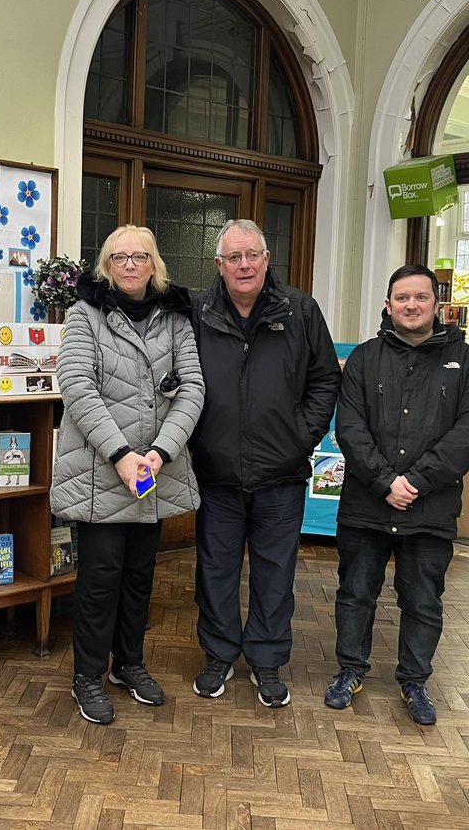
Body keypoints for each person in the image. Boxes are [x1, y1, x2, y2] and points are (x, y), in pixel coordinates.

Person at [51, 224, 205, 725]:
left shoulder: (176, 318)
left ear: (154, 264)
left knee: (140, 579)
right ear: (106, 266)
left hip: (153, 471)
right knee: (99, 581)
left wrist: (160, 452)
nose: (131, 265)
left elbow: (193, 389)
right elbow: (76, 385)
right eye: (120, 257)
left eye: (141, 256)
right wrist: (121, 454)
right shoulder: (84, 315)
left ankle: (129, 665)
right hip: (101, 471)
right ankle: (87, 677)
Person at [326, 265, 469, 725]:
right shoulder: (363, 358)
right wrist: (384, 482)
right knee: (355, 593)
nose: (411, 306)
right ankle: (349, 671)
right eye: (402, 298)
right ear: (388, 304)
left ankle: (414, 681)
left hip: (430, 507)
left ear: (438, 305)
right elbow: (350, 428)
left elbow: (468, 433)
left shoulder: (468, 362)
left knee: (422, 600)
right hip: (366, 503)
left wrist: (415, 482)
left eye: (421, 298)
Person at [189, 219, 340, 708]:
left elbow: (324, 382)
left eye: (252, 254)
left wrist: (301, 438)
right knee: (215, 571)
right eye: (233, 257)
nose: (244, 265)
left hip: (282, 475)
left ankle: (268, 661)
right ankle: (218, 656)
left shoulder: (300, 310)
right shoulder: (199, 312)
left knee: (275, 575)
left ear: (267, 258)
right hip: (216, 475)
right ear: (219, 265)